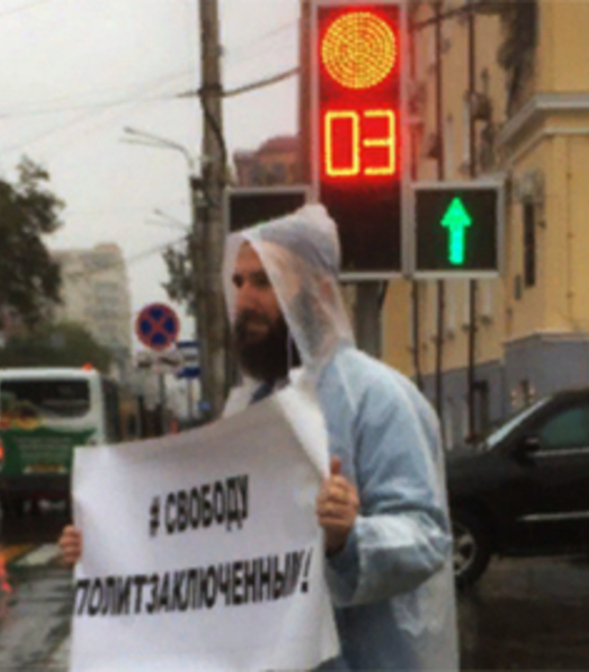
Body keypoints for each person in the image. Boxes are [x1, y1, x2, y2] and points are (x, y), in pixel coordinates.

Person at [59, 205, 458, 670]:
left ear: (319, 292)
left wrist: (347, 537)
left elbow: (427, 535)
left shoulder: (379, 399)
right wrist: (107, 548)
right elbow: (212, 539)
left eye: (264, 282)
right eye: (239, 282)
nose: (244, 299)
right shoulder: (254, 408)